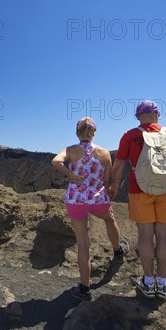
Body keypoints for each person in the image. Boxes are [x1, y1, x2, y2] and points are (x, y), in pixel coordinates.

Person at [110, 100, 166, 300]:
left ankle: (148, 282)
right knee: (164, 235)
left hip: (139, 190)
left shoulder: (130, 136)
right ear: (157, 114)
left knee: (145, 235)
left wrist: (114, 187)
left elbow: (119, 164)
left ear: (138, 116)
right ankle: (162, 283)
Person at [52, 117, 129, 301]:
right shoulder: (104, 153)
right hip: (97, 199)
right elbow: (107, 180)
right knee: (110, 220)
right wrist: (108, 192)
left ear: (77, 132)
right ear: (94, 133)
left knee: (83, 242)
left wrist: (71, 175)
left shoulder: (70, 150)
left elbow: (56, 161)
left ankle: (85, 289)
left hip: (76, 201)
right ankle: (118, 250)